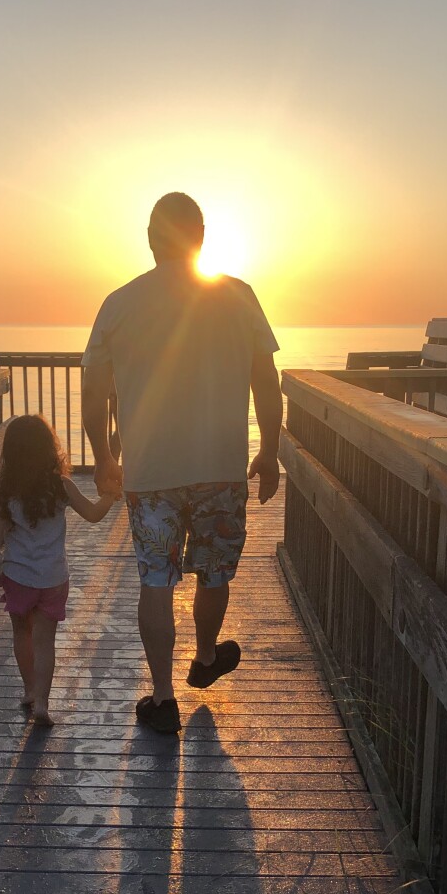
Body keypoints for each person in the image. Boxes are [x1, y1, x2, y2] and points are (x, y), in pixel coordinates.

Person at [81, 191, 283, 735]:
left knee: (156, 580)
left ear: (150, 239)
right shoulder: (237, 296)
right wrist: (268, 450)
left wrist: (103, 457)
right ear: (200, 236)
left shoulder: (119, 304)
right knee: (214, 573)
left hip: (151, 474)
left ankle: (164, 699)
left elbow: (95, 391)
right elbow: (266, 380)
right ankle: (206, 657)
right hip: (221, 466)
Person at [0, 413, 115, 726]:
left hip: (18, 577)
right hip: (54, 578)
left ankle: (29, 690)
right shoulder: (61, 486)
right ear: (49, 448)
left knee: (22, 634)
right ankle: (42, 703)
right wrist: (110, 495)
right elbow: (94, 514)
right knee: (45, 642)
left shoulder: (7, 491)